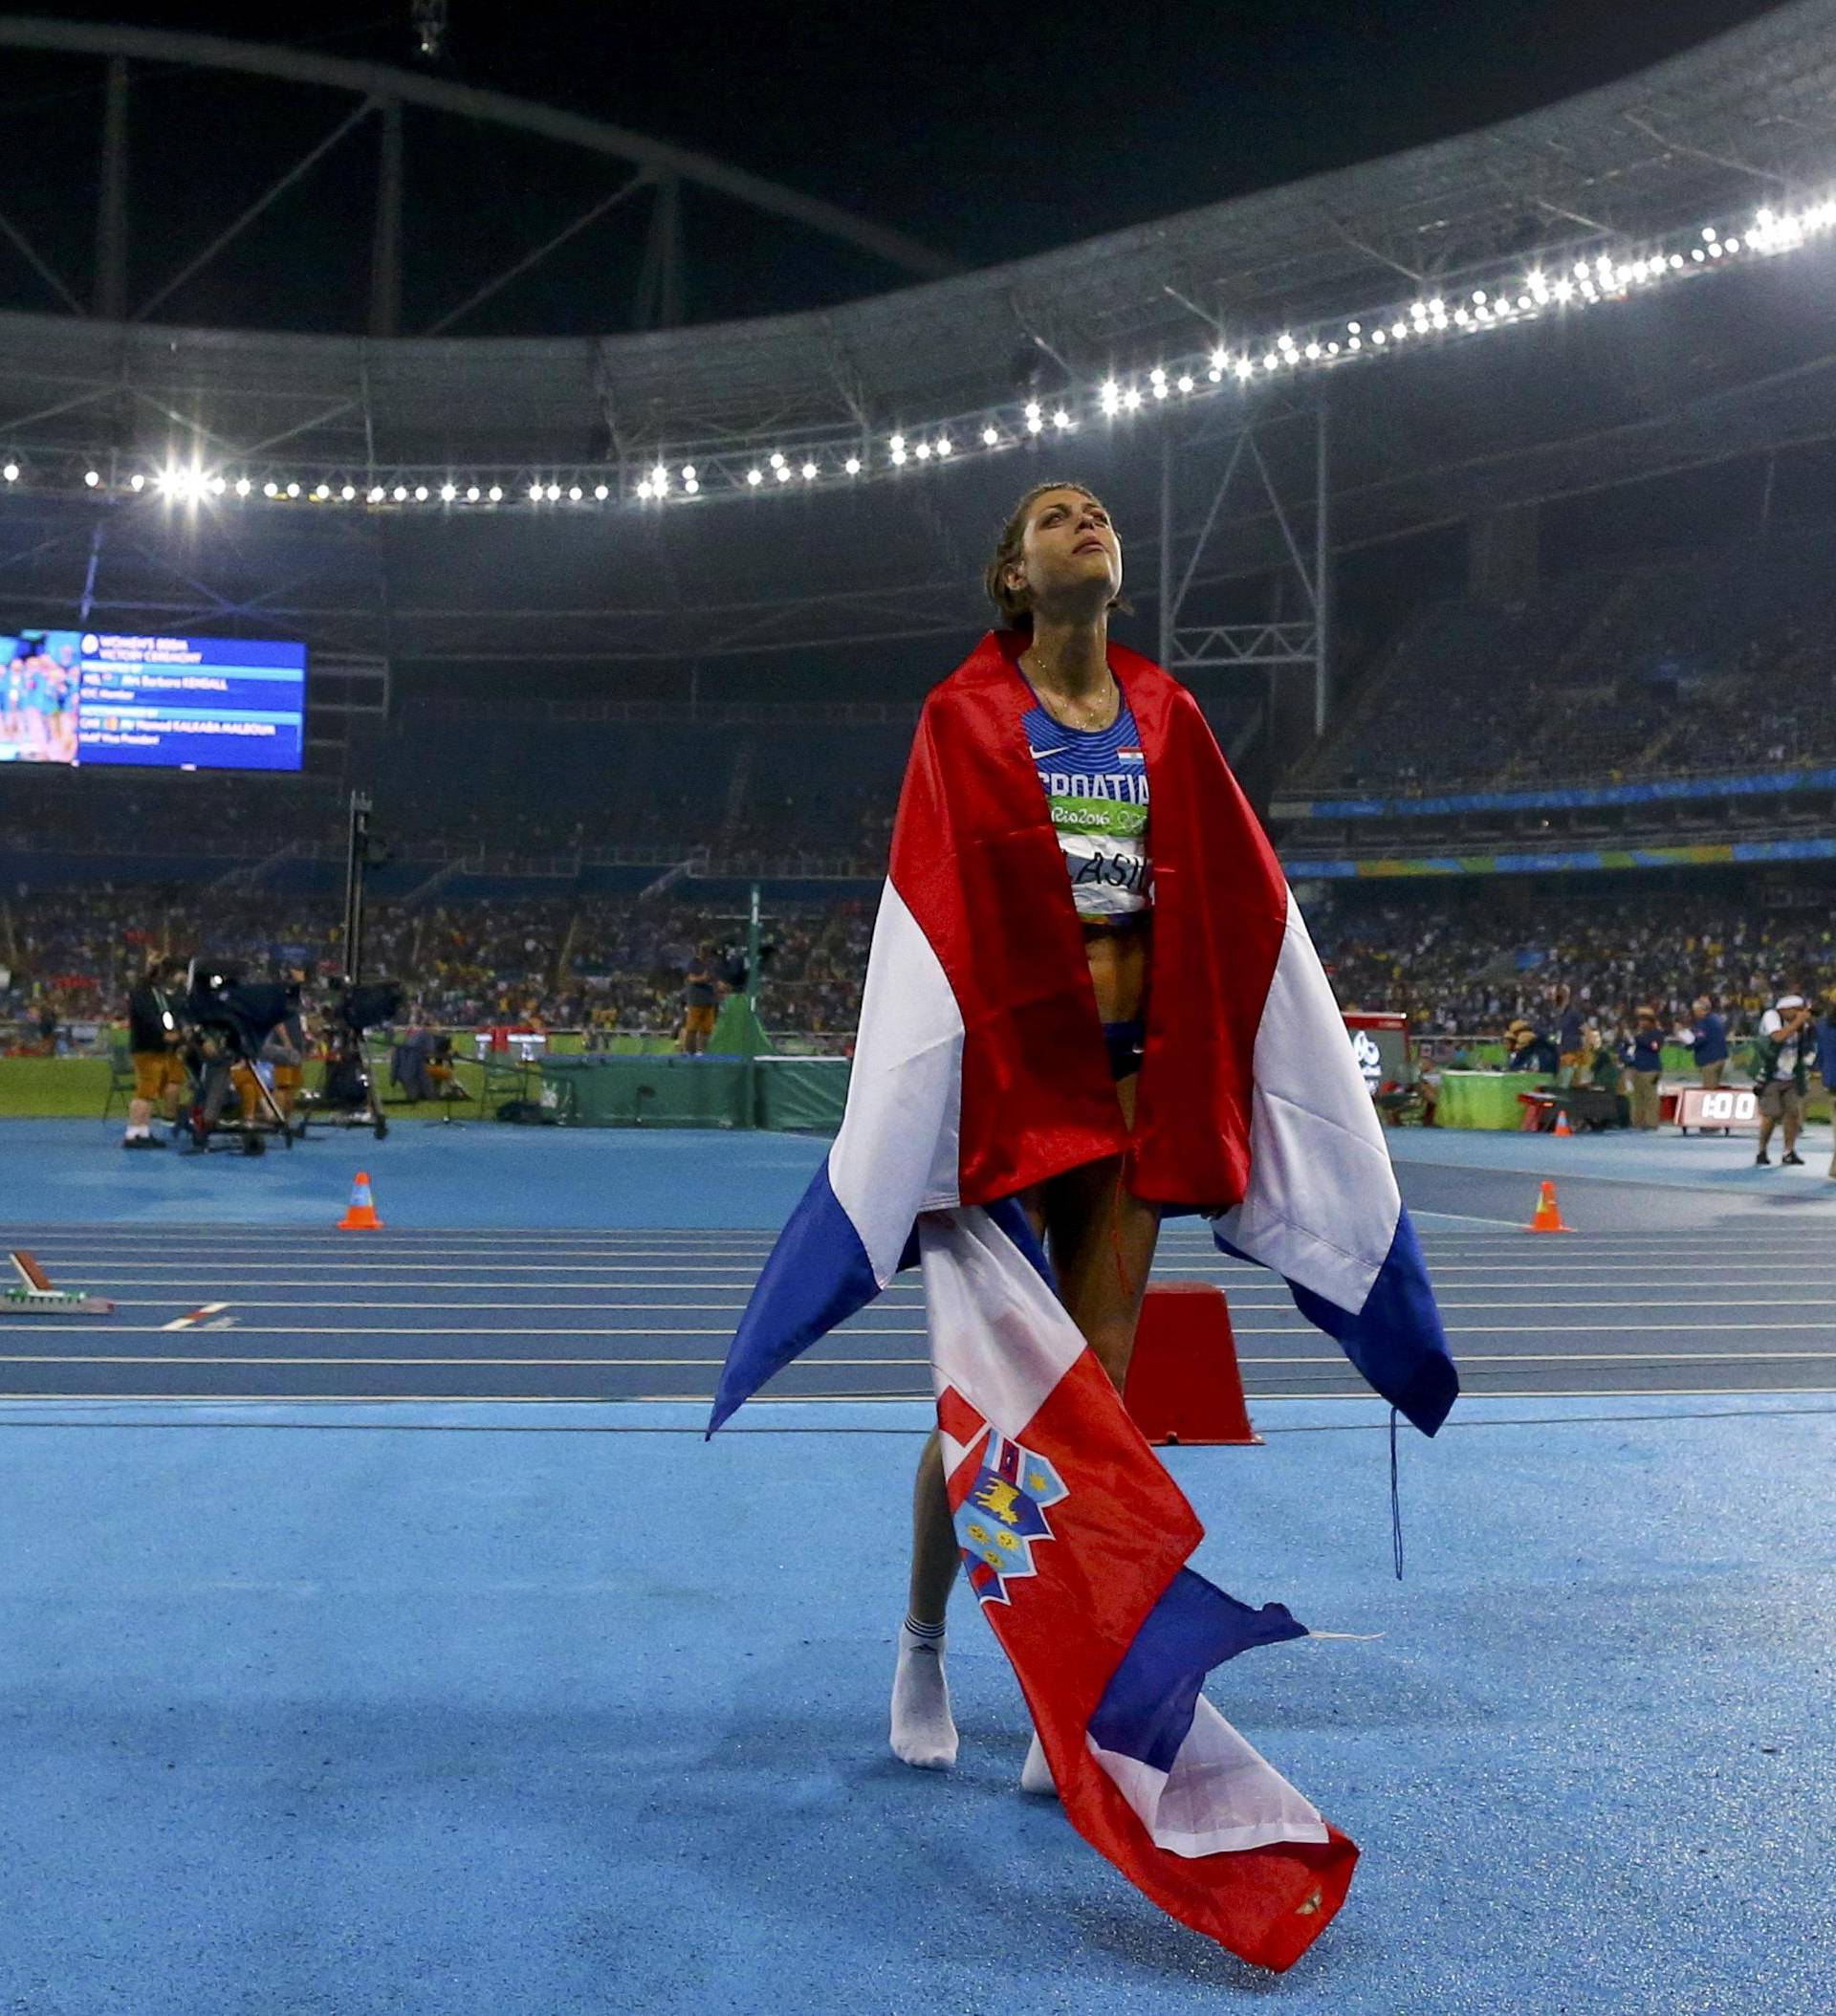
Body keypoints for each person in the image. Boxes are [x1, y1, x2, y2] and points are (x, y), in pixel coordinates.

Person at [893, 483, 1161, 1793]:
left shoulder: (1168, 721)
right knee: (986, 1410)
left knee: (1091, 1406)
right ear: (1014, 578)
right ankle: (926, 1643)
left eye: (1099, 512)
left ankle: (1069, 1679)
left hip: (1121, 1103)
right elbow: (928, 914)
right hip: (1004, 1104)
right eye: (1054, 515)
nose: (1085, 520)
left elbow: (1224, 901)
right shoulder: (962, 720)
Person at [122, 955, 187, 1149]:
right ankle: (132, 1133)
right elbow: (148, 1016)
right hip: (147, 1047)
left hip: (156, 1048)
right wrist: (164, 1033)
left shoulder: (154, 992)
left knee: (149, 1093)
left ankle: (142, 1131)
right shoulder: (142, 992)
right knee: (145, 1092)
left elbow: (163, 1014)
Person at [1752, 993, 1816, 1167]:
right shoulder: (1771, 1016)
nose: (1799, 1014)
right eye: (1797, 1011)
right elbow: (1778, 1037)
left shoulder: (1799, 1023)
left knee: (1793, 1114)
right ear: (1786, 1009)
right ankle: (1762, 1151)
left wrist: (1809, 1023)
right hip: (1770, 1075)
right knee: (1771, 1116)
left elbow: (1810, 1040)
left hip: (1791, 1075)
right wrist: (1798, 1022)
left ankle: (1789, 1151)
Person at [1619, 1006, 1664, 1130]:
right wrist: (1626, 1057)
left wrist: (1637, 1040)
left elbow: (1655, 1047)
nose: (1641, 1023)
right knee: (1637, 1097)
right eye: (1640, 1020)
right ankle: (1637, 1122)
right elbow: (1624, 1048)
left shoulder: (1656, 1034)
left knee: (1651, 1097)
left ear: (1650, 1021)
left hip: (1651, 1070)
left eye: (1644, 1020)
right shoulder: (1637, 1034)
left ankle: (1652, 1123)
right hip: (1637, 1069)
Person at [679, 946, 718, 1055]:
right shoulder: (693, 963)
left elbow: (715, 978)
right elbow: (690, 978)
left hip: (709, 999)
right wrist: (702, 978)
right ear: (700, 952)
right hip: (696, 999)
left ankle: (701, 1051)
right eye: (704, 951)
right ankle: (689, 1051)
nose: (706, 954)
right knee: (692, 1027)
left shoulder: (711, 964)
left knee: (706, 1029)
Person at [1685, 995, 1729, 1088]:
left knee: (1709, 1091)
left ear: (1700, 1010)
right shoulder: (1716, 1018)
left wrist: (1689, 1046)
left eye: (1695, 1011)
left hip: (1710, 1061)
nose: (1694, 1013)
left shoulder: (1702, 1022)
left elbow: (1700, 1039)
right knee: (1715, 1088)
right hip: (1721, 1058)